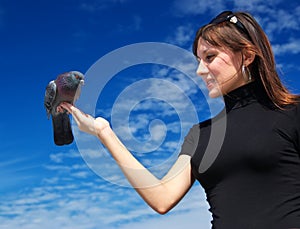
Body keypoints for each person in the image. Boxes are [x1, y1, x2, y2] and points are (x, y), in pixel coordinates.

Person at [60, 11, 300, 229]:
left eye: (210, 57)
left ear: (247, 55)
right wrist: (103, 132)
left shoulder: (292, 112)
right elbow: (162, 198)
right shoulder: (202, 134)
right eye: (198, 60)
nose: (200, 70)